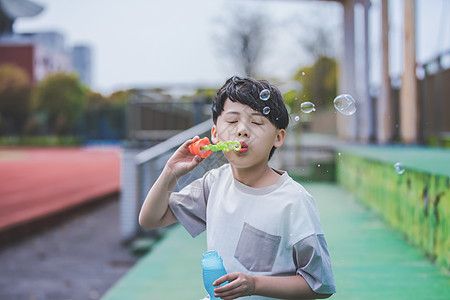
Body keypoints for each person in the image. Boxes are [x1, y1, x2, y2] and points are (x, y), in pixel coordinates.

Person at [139, 76, 336, 299]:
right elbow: (151, 219)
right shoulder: (213, 184)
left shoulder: (294, 201)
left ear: (278, 137)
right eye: (232, 121)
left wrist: (256, 284)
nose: (242, 130)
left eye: (257, 122)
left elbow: (320, 285)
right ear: (215, 134)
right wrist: (170, 172)